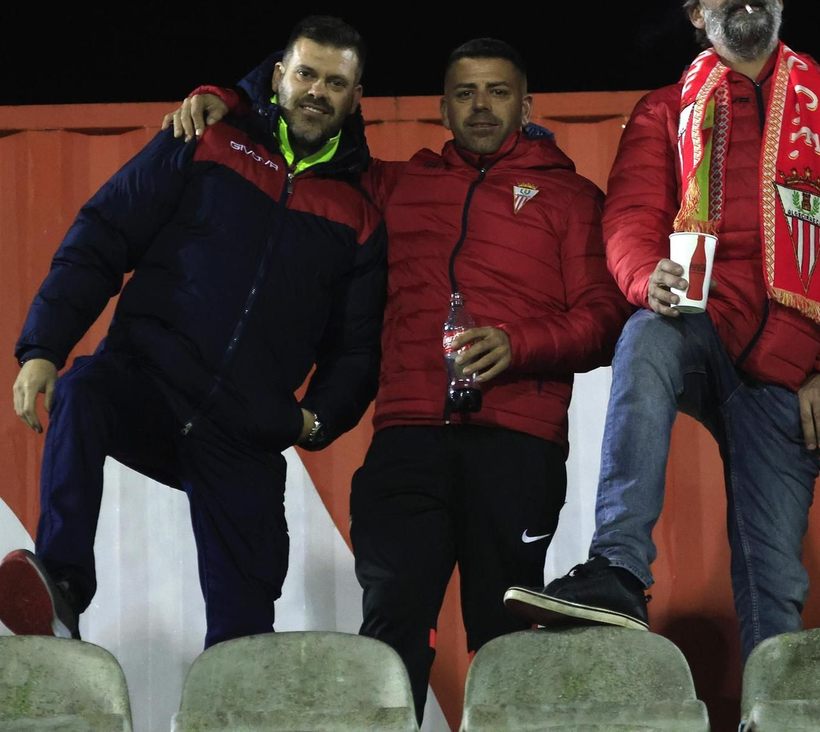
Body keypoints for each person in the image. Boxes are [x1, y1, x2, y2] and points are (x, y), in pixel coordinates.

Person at [166, 37, 629, 722]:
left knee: (506, 640)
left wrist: (518, 344)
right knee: (392, 632)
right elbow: (313, 114)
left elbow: (604, 319)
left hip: (517, 446)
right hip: (407, 442)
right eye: (465, 92)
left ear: (526, 104)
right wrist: (232, 97)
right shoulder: (397, 184)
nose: (481, 105)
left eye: (497, 91)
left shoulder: (570, 197)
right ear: (441, 108)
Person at [503, 0, 820, 664]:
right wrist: (643, 277)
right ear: (697, 12)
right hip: (700, 323)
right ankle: (620, 570)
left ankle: (768, 707)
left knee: (775, 576)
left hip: (792, 364)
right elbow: (629, 218)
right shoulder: (667, 110)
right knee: (645, 336)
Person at [0, 15, 385, 650]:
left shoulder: (360, 212)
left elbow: (357, 345)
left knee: (245, 640)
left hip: (244, 432)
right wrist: (44, 346)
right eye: (307, 74)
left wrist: (313, 422)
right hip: (151, 381)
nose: (318, 91)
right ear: (279, 76)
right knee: (85, 388)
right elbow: (104, 231)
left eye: (336, 83)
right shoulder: (206, 137)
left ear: (355, 96)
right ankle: (62, 588)